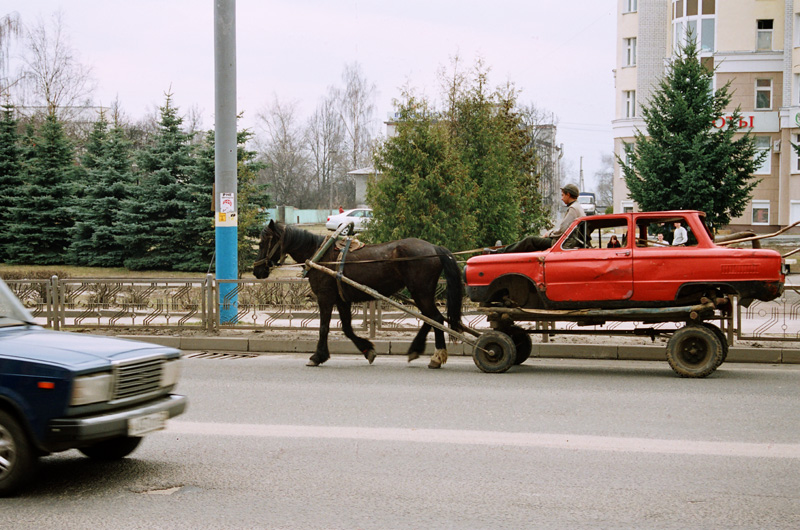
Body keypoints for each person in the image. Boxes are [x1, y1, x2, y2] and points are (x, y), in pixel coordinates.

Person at [489, 184, 586, 253]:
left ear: (568, 195)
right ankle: (502, 250)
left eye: (563, 195)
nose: (561, 198)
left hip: (564, 243)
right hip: (570, 242)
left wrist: (548, 234)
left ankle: (498, 252)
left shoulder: (573, 209)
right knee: (531, 243)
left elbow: (562, 231)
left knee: (530, 240)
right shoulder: (578, 207)